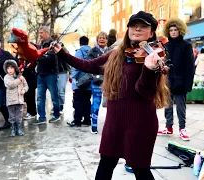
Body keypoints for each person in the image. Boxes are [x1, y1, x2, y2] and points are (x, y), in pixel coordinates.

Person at [52, 11, 170, 180]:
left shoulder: (153, 57)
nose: (137, 29)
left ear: (151, 33)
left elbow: (145, 92)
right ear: (128, 29)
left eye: (143, 26)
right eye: (134, 25)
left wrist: (148, 70)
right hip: (115, 121)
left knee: (140, 169)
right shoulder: (116, 55)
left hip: (140, 123)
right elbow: (88, 65)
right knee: (106, 163)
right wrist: (62, 53)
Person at [157, 18, 195, 141]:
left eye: (175, 30)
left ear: (180, 31)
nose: (173, 32)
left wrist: (188, 84)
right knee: (167, 105)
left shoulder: (186, 46)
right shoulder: (166, 46)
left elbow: (190, 66)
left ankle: (182, 128)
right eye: (171, 30)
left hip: (181, 81)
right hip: (167, 81)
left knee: (180, 106)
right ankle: (168, 127)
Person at [32, 26, 61, 125]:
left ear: (47, 33)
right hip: (40, 74)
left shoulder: (52, 44)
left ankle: (56, 115)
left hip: (51, 74)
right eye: (39, 33)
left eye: (41, 33)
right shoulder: (40, 44)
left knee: (54, 96)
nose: (40, 35)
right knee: (40, 97)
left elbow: (51, 58)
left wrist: (37, 57)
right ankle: (41, 117)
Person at [67, 36, 92, 128]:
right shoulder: (92, 51)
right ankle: (87, 119)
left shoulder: (79, 51)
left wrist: (72, 77)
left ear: (80, 43)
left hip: (80, 81)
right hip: (89, 80)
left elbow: (76, 66)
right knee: (87, 101)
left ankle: (77, 120)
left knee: (77, 101)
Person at [88, 31, 108, 134]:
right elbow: (90, 65)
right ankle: (94, 125)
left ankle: (110, 125)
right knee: (96, 103)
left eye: (104, 38)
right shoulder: (92, 51)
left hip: (109, 81)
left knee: (111, 104)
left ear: (107, 40)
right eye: (100, 38)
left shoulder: (110, 51)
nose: (102, 39)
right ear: (97, 39)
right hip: (97, 81)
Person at [4, 60, 28, 136]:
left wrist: (24, 90)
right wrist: (19, 80)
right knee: (12, 116)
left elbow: (26, 85)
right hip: (11, 101)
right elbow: (11, 85)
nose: (10, 70)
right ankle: (12, 129)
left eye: (11, 68)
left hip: (20, 100)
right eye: (8, 68)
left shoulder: (20, 76)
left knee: (19, 116)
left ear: (15, 68)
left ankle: (18, 128)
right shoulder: (6, 77)